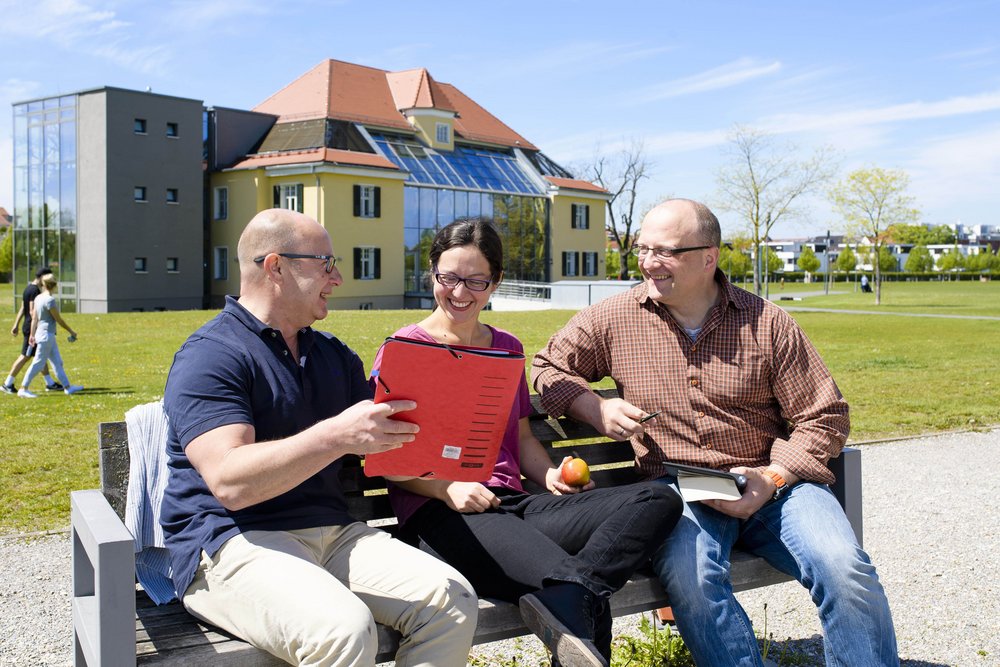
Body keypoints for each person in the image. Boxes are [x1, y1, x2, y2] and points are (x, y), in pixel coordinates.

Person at [532, 199, 898, 667]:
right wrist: (596, 408)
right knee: (692, 579)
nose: (647, 262)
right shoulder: (614, 318)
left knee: (845, 569)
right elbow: (547, 368)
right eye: (643, 249)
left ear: (710, 257)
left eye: (664, 251)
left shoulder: (767, 323)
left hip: (776, 486)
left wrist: (774, 477)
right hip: (678, 491)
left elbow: (823, 416)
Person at [160, 209, 477, 666]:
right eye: (326, 263)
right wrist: (336, 436)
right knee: (343, 631)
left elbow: (394, 440)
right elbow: (231, 483)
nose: (339, 277)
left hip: (334, 535)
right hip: (231, 542)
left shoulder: (331, 354)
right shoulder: (212, 354)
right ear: (276, 266)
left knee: (453, 600)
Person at [372, 218, 684, 667]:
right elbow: (381, 451)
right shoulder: (404, 347)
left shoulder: (505, 347)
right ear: (432, 273)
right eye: (449, 278)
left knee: (658, 499)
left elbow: (518, 436)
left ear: (495, 282)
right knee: (570, 589)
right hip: (442, 515)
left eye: (476, 280)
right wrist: (447, 487)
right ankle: (575, 593)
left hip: (513, 503)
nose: (460, 292)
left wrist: (549, 474)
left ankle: (576, 592)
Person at [17, 274, 83, 398]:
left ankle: (68, 387)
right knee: (38, 363)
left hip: (44, 335)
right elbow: (58, 320)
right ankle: (23, 388)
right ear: (53, 285)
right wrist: (72, 332)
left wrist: (32, 335)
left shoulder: (38, 298)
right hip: (46, 336)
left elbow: (34, 319)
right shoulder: (49, 300)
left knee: (58, 362)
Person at [2, 267, 60, 394]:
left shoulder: (28, 288)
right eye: (46, 279)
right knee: (25, 356)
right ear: (41, 278)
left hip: (29, 327)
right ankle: (7, 383)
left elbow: (22, 308)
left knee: (40, 354)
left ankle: (49, 383)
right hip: (32, 329)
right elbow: (32, 311)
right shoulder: (35, 291)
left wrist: (16, 324)